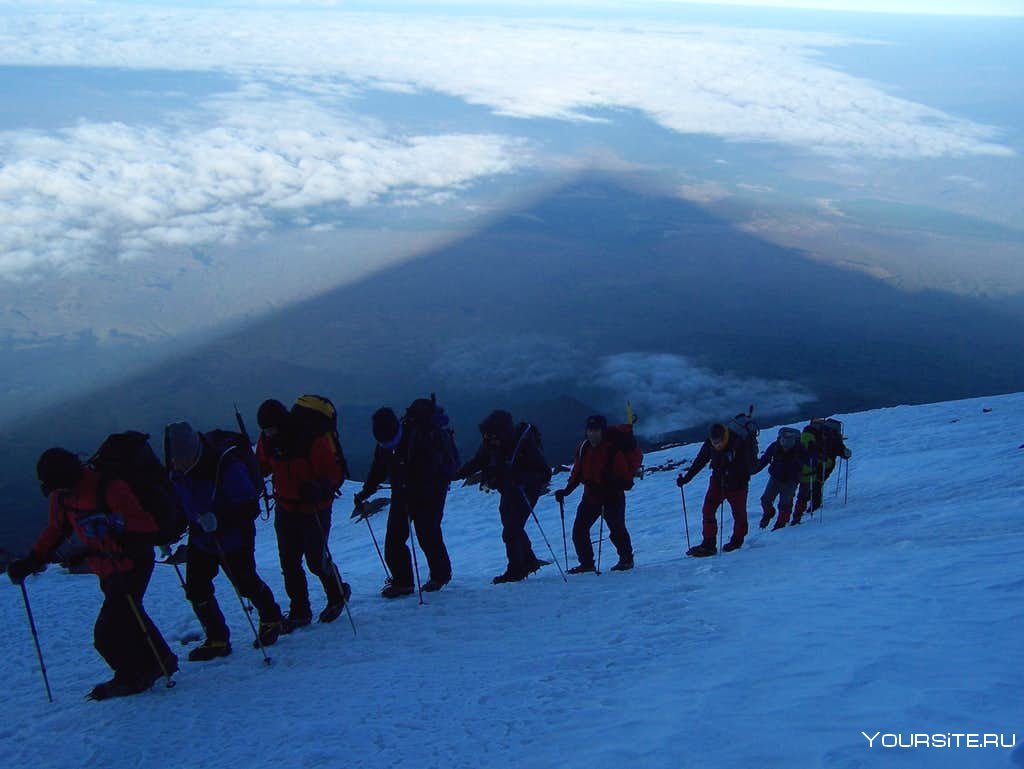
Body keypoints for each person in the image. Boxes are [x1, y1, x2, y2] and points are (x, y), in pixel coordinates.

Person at [7, 447, 178, 700]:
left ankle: (131, 677)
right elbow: (56, 530)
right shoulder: (63, 496)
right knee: (129, 614)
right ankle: (161, 661)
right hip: (107, 566)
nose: (56, 492)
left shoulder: (109, 487)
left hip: (132, 564)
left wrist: (120, 543)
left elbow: (145, 528)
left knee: (107, 632)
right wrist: (32, 560)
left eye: (58, 486)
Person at [166, 422, 283, 661]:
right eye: (177, 461)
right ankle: (217, 637)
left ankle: (271, 618)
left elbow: (249, 505)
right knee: (196, 587)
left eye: (184, 460)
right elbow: (181, 503)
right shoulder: (177, 470)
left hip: (234, 534)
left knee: (245, 583)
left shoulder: (224, 465)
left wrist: (218, 519)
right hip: (201, 535)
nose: (180, 465)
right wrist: (167, 532)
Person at [256, 398, 350, 632]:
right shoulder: (268, 441)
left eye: (270, 429)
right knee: (289, 562)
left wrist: (318, 488)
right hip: (286, 507)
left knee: (316, 560)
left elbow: (335, 473)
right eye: (265, 430)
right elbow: (263, 465)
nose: (268, 434)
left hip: (314, 508)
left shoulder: (311, 438)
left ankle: (337, 594)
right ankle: (300, 610)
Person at [353, 402, 455, 598]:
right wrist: (366, 492)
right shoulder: (385, 443)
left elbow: (433, 471)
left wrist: (414, 488)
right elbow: (379, 468)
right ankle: (403, 582)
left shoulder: (420, 438)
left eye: (389, 441)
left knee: (427, 533)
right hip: (402, 492)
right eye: (383, 443)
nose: (386, 445)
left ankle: (440, 575)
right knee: (394, 539)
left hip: (431, 492)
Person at [456, 410, 552, 584]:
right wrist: (455, 474)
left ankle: (516, 569)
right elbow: (478, 461)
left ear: (503, 432)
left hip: (526, 490)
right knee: (511, 525)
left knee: (511, 528)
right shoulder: (491, 442)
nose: (489, 440)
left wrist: (520, 478)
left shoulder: (523, 443)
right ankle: (528, 561)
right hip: (508, 488)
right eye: (486, 436)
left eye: (492, 436)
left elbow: (544, 473)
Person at [554, 415, 634, 573]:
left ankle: (626, 559)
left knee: (617, 529)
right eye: (590, 430)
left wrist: (611, 482)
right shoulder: (583, 449)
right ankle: (587, 564)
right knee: (579, 530)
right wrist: (566, 491)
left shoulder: (612, 450)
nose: (592, 434)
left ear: (602, 431)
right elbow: (577, 473)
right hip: (591, 497)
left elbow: (627, 482)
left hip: (612, 497)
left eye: (596, 430)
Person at [677, 422, 753, 556]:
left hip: (737, 485)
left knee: (739, 514)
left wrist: (730, 470)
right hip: (718, 481)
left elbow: (747, 468)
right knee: (708, 510)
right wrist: (686, 479)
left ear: (725, 437)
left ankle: (737, 541)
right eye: (714, 442)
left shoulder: (738, 443)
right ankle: (709, 544)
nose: (716, 445)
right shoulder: (709, 444)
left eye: (718, 442)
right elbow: (700, 461)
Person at [793, 417, 852, 524]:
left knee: (814, 482)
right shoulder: (832, 437)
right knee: (818, 482)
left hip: (816, 462)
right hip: (827, 463)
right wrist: (845, 453)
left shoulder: (812, 432)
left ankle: (812, 503)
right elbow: (841, 450)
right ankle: (813, 503)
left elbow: (806, 446)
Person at [754, 427, 804, 530]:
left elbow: (764, 460)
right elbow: (765, 459)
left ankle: (780, 525)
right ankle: (771, 515)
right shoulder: (776, 446)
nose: (785, 443)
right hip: (777, 477)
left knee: (784, 504)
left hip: (790, 479)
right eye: (783, 440)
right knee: (766, 500)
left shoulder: (797, 448)